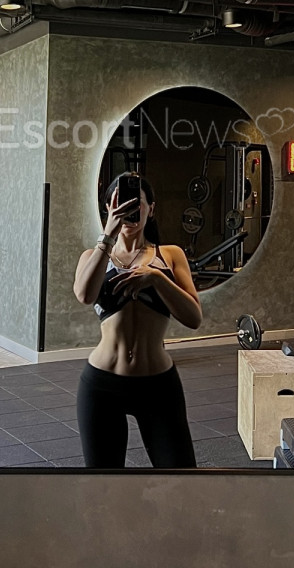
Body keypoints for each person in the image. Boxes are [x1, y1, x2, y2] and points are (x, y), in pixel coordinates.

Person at [73, 172, 202, 468]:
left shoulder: (170, 255)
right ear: (109, 208)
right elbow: (84, 295)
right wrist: (108, 235)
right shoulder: (92, 256)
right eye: (120, 202)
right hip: (102, 384)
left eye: (136, 203)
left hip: (158, 385)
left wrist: (156, 278)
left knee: (180, 478)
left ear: (150, 209)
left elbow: (194, 318)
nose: (129, 210)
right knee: (104, 484)